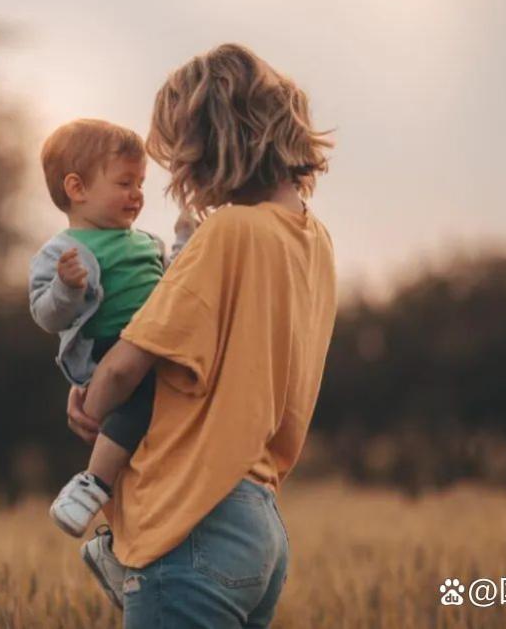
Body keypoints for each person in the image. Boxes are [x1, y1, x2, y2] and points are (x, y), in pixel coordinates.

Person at [69, 43, 338, 627]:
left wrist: (89, 401)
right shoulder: (312, 242)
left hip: (191, 523)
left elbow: (124, 367)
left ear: (211, 143)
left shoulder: (228, 236)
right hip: (259, 526)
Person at [28, 118, 193, 544]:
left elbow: (173, 284)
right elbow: (46, 315)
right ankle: (92, 483)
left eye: (140, 182)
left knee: (154, 450)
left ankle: (119, 545)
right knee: (139, 405)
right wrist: (66, 288)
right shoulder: (61, 253)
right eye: (124, 182)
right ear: (77, 189)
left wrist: (185, 242)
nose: (137, 194)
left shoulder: (145, 243)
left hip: (152, 345)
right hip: (110, 351)